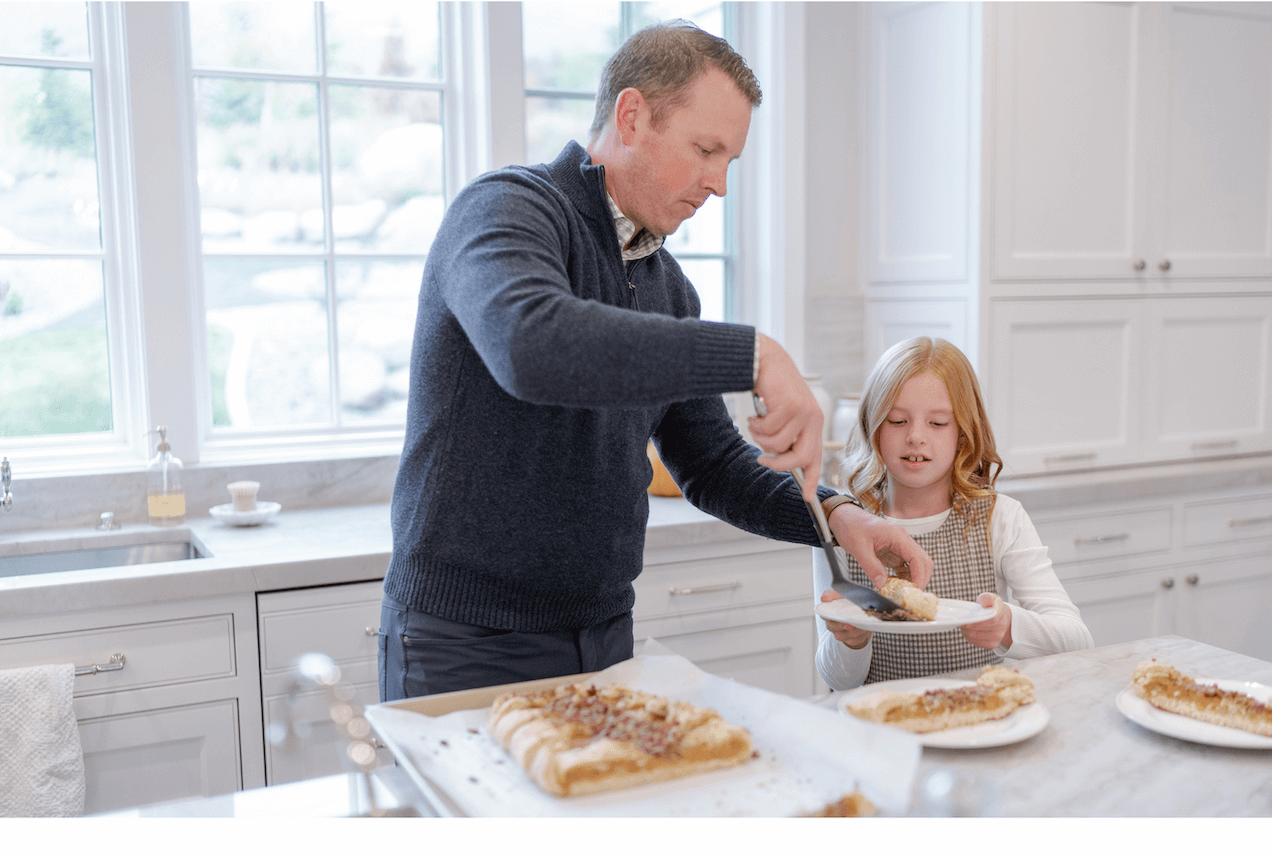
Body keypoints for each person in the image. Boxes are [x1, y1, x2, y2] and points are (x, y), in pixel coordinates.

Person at [378, 21, 933, 702]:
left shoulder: (668, 285)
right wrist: (751, 353)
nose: (719, 184)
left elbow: (714, 465)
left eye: (730, 161)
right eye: (706, 150)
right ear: (633, 116)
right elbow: (532, 344)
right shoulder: (505, 210)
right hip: (463, 640)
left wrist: (836, 515)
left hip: (602, 634)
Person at [816, 337, 1092, 694]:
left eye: (938, 423)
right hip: (882, 729)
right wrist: (851, 641)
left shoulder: (1000, 518)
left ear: (963, 432)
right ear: (874, 426)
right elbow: (837, 679)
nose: (915, 436)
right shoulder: (844, 522)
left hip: (977, 723)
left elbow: (1077, 640)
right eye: (897, 421)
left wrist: (1008, 626)